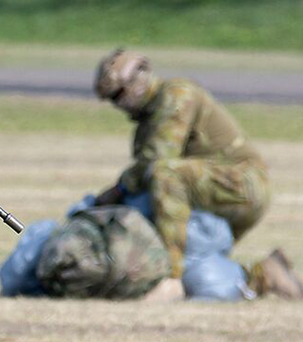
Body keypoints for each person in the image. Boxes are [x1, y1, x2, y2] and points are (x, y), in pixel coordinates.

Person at [93, 49, 301, 299]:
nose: (118, 105)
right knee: (198, 257)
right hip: (208, 192)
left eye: (118, 95)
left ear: (137, 81)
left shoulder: (178, 94)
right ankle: (263, 276)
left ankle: (171, 278)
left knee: (165, 173)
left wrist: (118, 190)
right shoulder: (146, 125)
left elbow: (159, 158)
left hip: (243, 184)